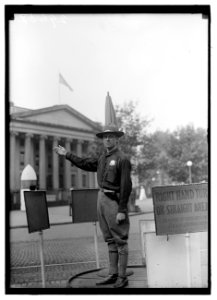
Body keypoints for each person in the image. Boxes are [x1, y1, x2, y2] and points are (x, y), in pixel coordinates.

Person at [53, 123, 132, 288]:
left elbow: (126, 186)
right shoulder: (103, 158)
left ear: (117, 139)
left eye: (111, 136)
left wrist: (122, 210)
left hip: (114, 201)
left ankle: (122, 277)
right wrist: (66, 154)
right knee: (109, 239)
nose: (108, 139)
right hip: (101, 198)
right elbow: (85, 163)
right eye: (105, 136)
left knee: (120, 240)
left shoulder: (122, 159)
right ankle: (113, 273)